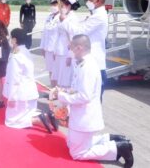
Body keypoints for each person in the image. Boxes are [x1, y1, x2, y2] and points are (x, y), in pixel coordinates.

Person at [53, 35, 133, 167]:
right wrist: (64, 92)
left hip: (85, 117)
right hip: (80, 115)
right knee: (70, 143)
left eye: (71, 48)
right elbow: (77, 89)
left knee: (77, 153)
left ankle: (118, 148)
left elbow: (84, 96)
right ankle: (111, 138)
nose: (69, 51)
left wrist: (62, 96)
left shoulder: (87, 67)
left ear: (79, 48)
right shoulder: (82, 63)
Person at [59, 0, 108, 100]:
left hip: (95, 62)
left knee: (92, 99)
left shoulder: (99, 16)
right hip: (87, 60)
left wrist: (64, 20)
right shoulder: (94, 14)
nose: (87, 2)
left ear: (98, 0)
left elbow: (80, 31)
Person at [4, 29, 56, 133]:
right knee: (27, 112)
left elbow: (14, 79)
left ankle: (37, 119)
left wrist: (12, 97)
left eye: (11, 38)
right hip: (30, 92)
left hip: (20, 94)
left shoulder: (16, 56)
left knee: (12, 120)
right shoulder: (25, 51)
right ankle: (45, 116)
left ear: (14, 40)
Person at [53, 0, 79, 88]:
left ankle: (67, 100)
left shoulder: (73, 17)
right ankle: (61, 98)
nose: (60, 8)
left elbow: (74, 35)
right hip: (59, 51)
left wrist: (70, 55)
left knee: (66, 79)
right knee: (59, 78)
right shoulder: (61, 16)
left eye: (62, 6)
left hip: (67, 52)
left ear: (69, 5)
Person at [40, 0, 60, 87]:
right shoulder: (49, 17)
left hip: (56, 50)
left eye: (55, 5)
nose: (53, 7)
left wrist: (57, 50)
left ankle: (59, 90)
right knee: (50, 70)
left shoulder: (61, 18)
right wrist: (42, 47)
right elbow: (44, 33)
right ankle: (53, 89)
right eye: (52, 5)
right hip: (48, 48)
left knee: (58, 71)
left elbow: (61, 36)